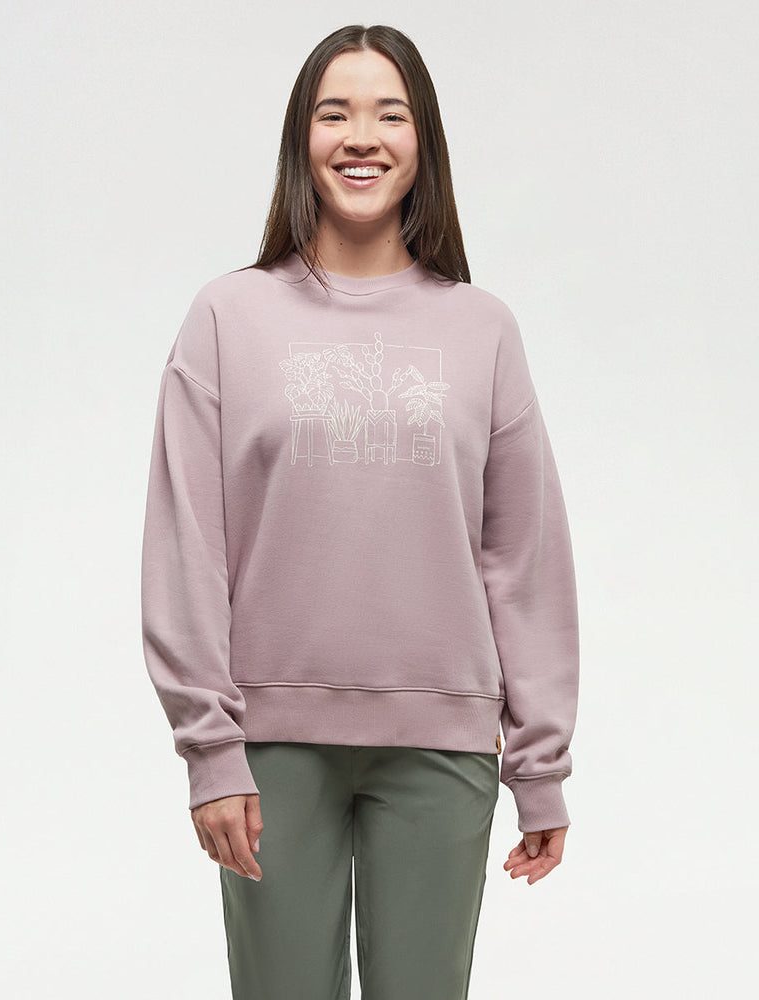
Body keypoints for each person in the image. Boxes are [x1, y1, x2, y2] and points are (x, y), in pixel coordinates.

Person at [140, 22, 580, 1000]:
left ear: (424, 142)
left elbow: (524, 556)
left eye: (391, 115)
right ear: (301, 138)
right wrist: (211, 750)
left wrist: (540, 764)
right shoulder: (226, 317)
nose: (361, 137)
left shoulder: (481, 328)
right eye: (333, 113)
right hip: (269, 748)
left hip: (441, 746)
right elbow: (187, 547)